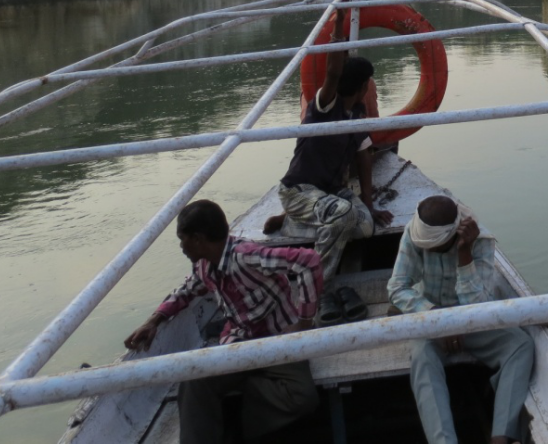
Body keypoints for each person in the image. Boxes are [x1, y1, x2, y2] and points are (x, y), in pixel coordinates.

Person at [123, 199, 321, 444]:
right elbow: (185, 292)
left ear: (198, 239)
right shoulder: (204, 266)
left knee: (303, 397)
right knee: (194, 381)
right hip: (240, 342)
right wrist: (154, 321)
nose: (181, 247)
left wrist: (304, 320)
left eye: (182, 239)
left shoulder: (246, 256)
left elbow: (308, 261)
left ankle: (239, 417)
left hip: (278, 340)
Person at [388, 194, 534, 444]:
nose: (428, 250)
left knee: (521, 345)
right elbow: (398, 288)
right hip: (431, 320)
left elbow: (482, 307)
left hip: (472, 320)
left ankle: (502, 435)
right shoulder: (414, 234)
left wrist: (464, 256)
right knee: (422, 357)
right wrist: (438, 320)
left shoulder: (481, 241)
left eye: (435, 247)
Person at [264, 36, 393, 319]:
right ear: (362, 87)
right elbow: (333, 71)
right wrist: (337, 26)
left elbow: (364, 157)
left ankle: (291, 222)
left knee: (365, 226)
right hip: (299, 190)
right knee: (343, 214)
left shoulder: (356, 113)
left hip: (332, 193)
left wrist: (369, 205)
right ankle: (320, 290)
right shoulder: (324, 107)